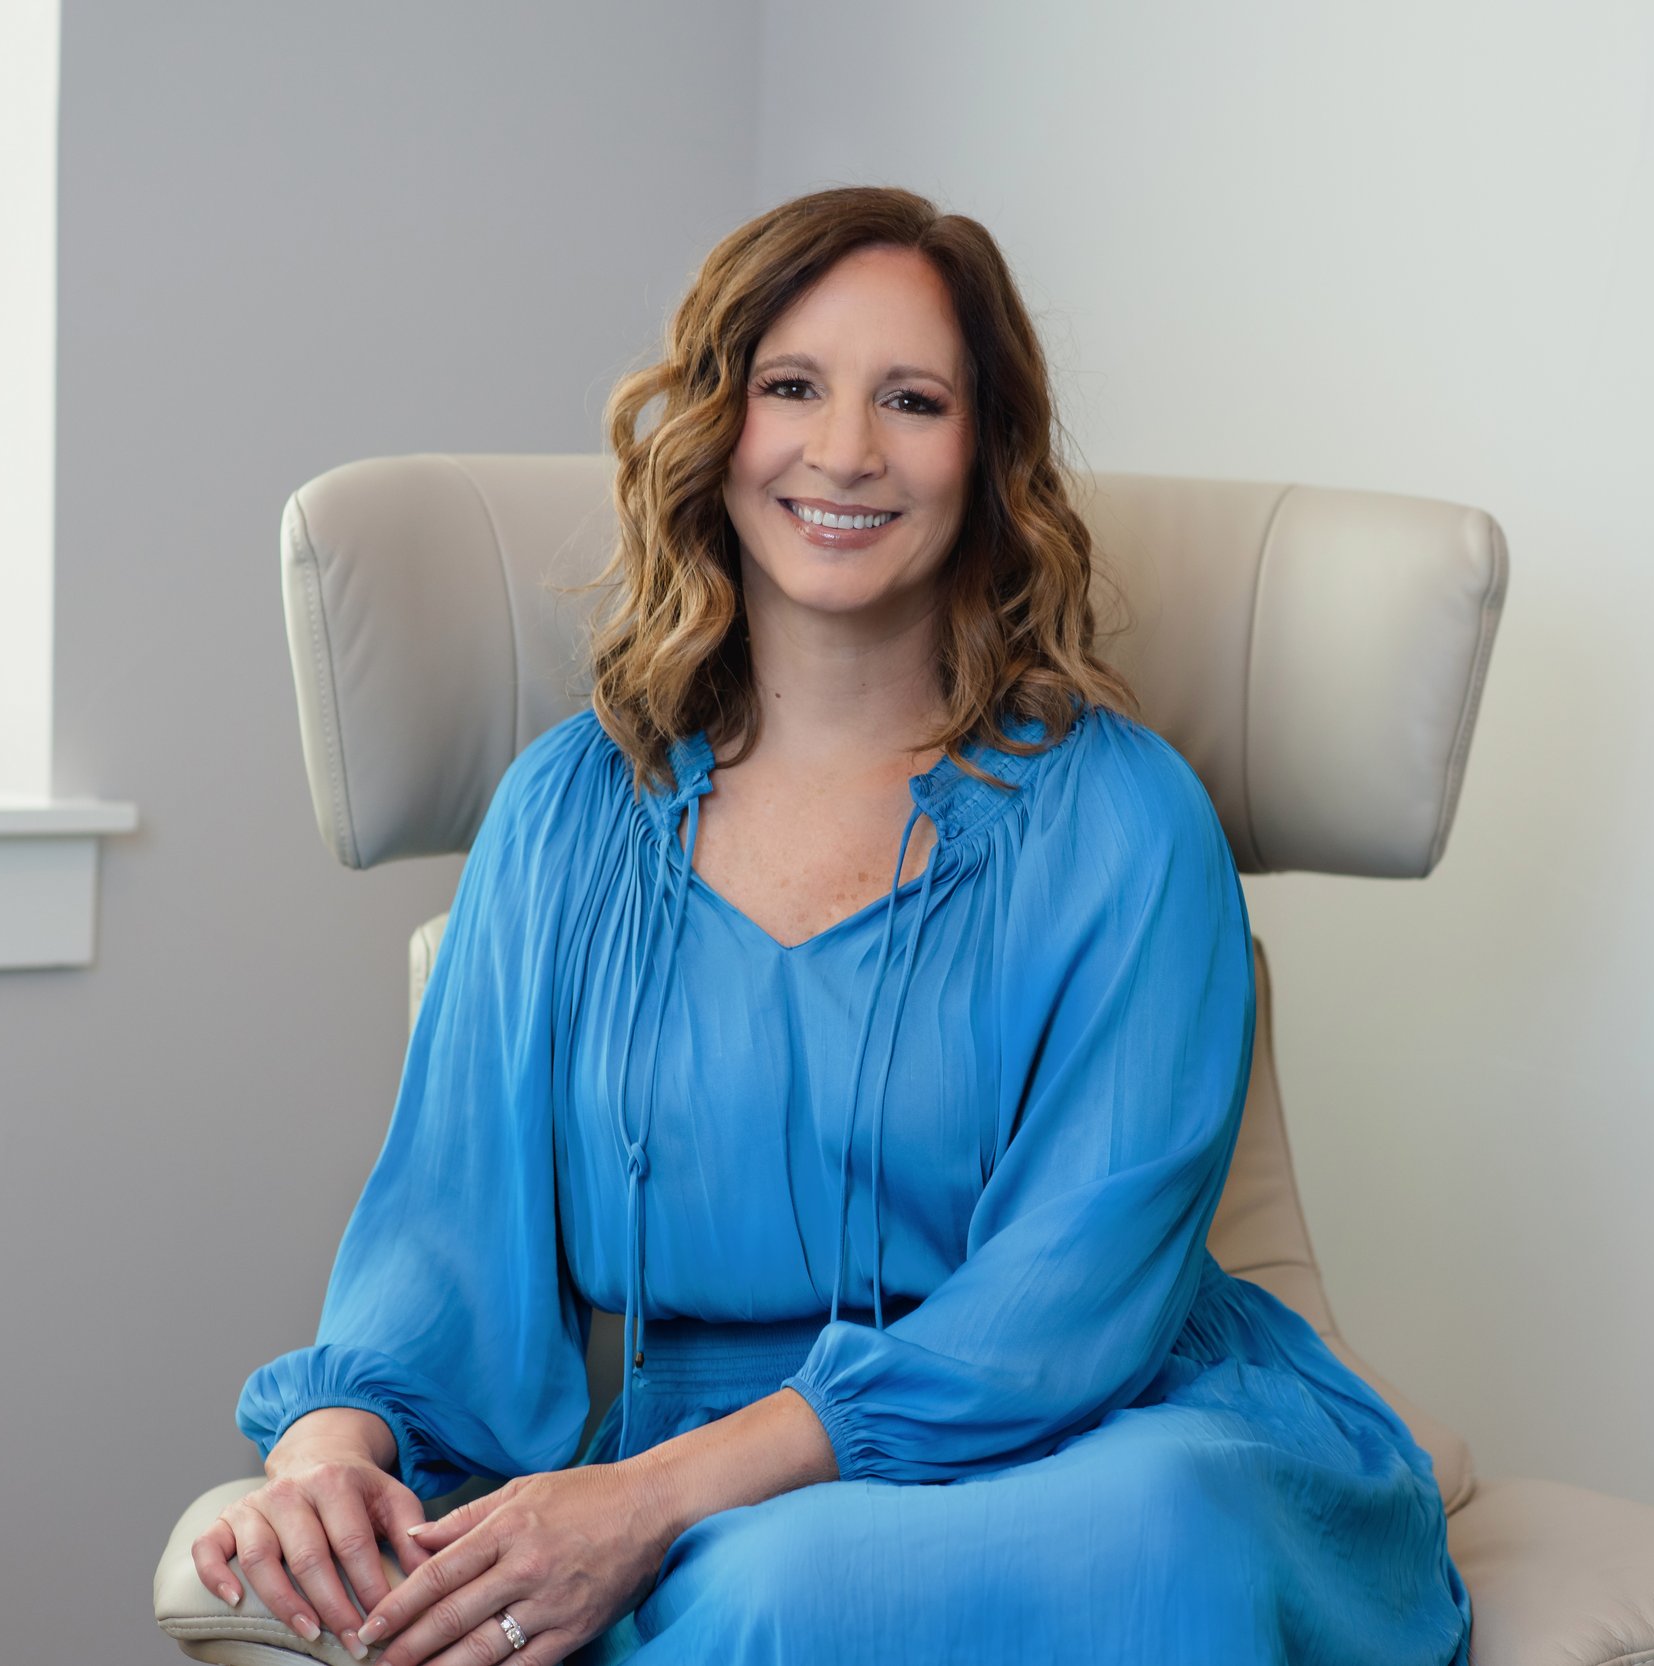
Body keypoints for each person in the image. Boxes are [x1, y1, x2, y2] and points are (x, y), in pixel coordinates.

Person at [195, 185, 1472, 1666]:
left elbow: (1069, 1305)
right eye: (789, 386)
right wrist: (326, 1458)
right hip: (709, 1496)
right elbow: (441, 1237)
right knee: (768, 1586)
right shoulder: (564, 815)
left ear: (987, 454)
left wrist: (645, 1497)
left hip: (1105, 1438)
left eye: (913, 399)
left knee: (1017, 1549)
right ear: (713, 429)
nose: (846, 449)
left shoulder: (1129, 820)